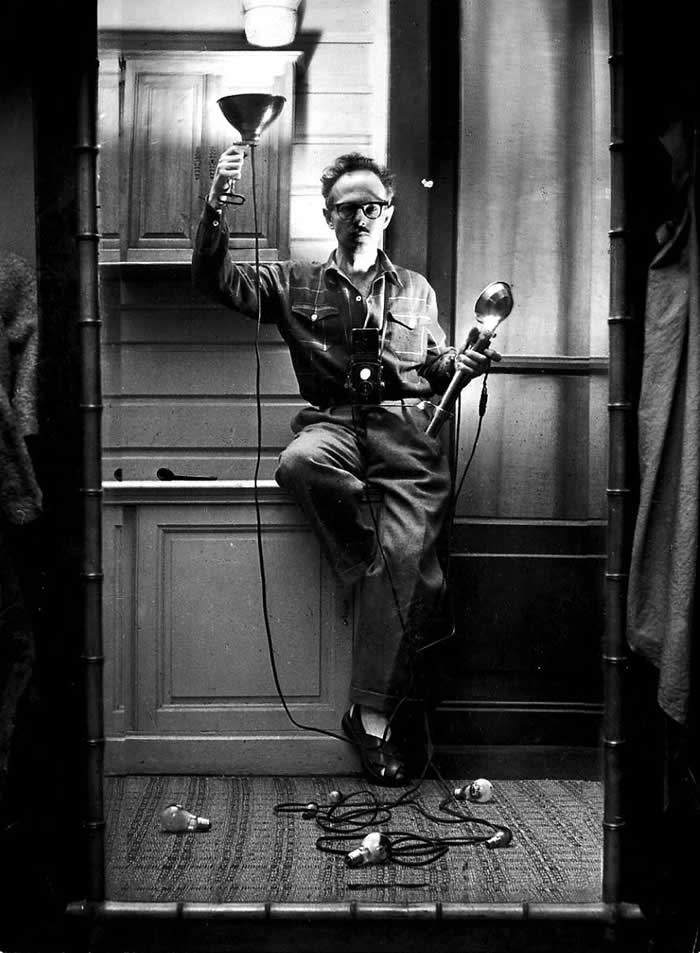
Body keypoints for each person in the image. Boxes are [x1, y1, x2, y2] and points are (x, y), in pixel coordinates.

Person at [192, 150, 498, 786]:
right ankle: (367, 565)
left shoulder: (416, 288)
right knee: (299, 463)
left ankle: (371, 716)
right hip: (333, 423)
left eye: (372, 206)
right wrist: (217, 203)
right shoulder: (293, 279)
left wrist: (461, 364)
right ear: (327, 215)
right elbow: (216, 281)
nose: (360, 216)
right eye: (347, 207)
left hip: (405, 432)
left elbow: (433, 364)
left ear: (387, 212)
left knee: (412, 560)